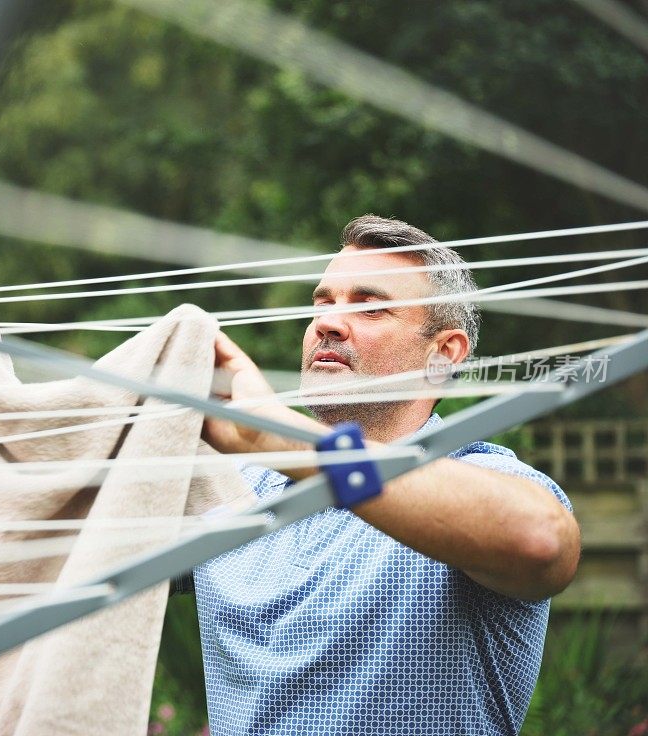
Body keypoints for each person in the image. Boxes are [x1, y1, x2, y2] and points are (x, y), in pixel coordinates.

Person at [197, 215, 581, 736]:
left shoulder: (476, 472)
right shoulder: (237, 487)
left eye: (370, 306)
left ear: (443, 356)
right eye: (322, 302)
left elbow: (541, 539)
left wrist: (275, 438)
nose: (328, 323)